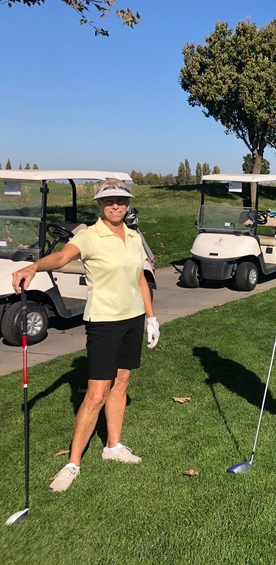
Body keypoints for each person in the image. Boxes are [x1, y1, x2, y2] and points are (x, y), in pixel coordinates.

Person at [12, 179, 160, 492]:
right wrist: (34, 267)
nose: (116, 205)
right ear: (99, 205)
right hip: (104, 322)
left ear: (128, 204)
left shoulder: (134, 236)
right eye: (109, 201)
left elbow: (140, 278)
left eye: (121, 200)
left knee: (122, 382)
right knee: (96, 394)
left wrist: (151, 317)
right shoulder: (89, 236)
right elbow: (62, 257)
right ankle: (72, 463)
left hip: (133, 319)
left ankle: (113, 446)